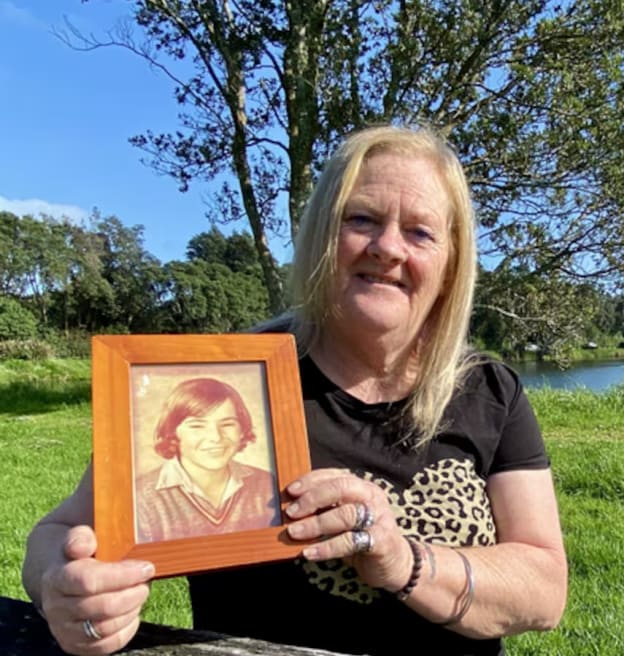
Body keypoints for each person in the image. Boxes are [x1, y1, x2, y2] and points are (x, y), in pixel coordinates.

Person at [22, 125, 567, 656]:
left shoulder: (491, 392)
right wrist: (64, 589)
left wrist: (404, 562)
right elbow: (61, 533)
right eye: (362, 219)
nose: (386, 247)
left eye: (420, 232)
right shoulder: (229, 379)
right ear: (323, 238)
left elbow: (544, 590)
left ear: (450, 264)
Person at [135, 377, 279, 543]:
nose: (215, 437)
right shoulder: (141, 499)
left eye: (227, 424)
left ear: (242, 430)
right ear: (172, 433)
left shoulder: (266, 483)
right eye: (197, 426)